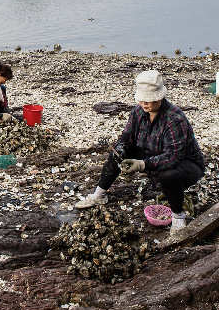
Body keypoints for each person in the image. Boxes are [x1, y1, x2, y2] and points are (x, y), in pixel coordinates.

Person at [75, 70, 206, 232]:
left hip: (187, 166)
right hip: (153, 154)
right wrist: (122, 148)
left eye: (148, 99)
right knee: (116, 154)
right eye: (141, 98)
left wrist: (141, 165)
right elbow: (127, 137)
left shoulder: (174, 119)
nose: (144, 102)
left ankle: (178, 216)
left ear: (160, 97)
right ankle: (99, 194)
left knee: (167, 174)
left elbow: (173, 157)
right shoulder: (138, 112)